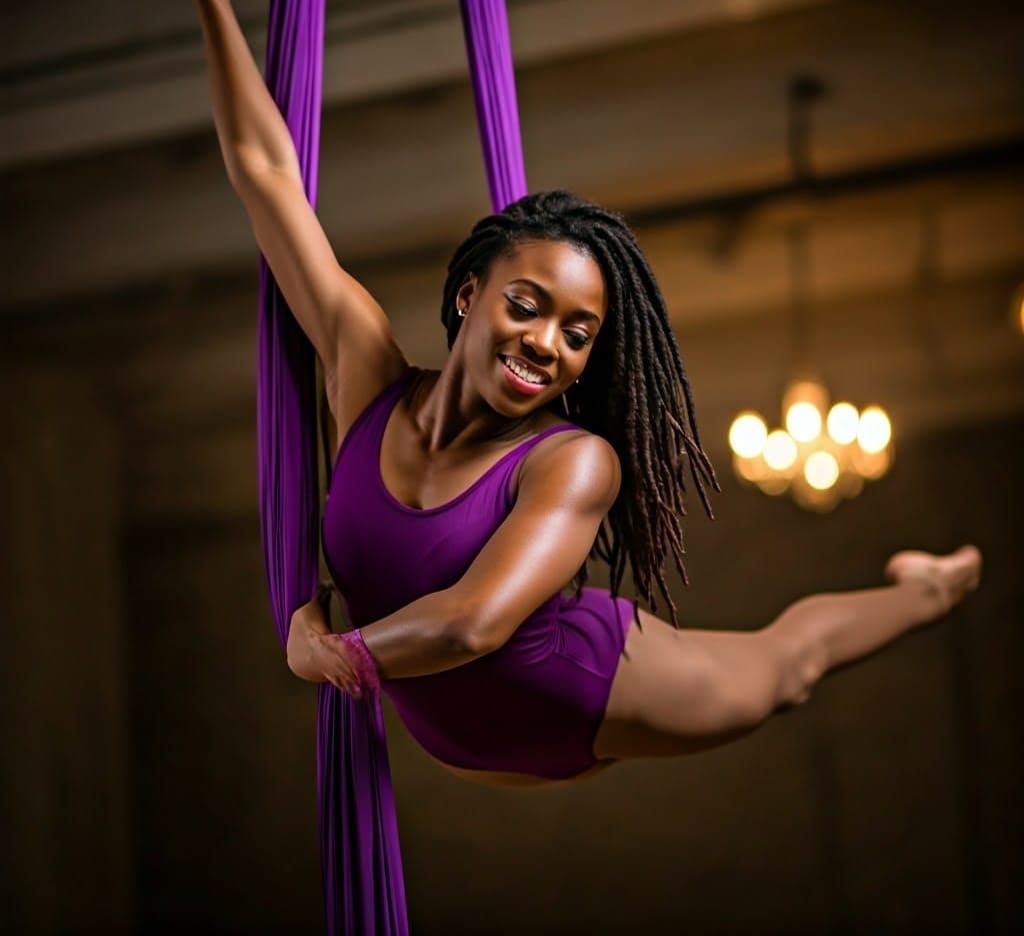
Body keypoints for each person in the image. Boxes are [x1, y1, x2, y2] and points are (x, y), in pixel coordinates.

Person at [196, 0, 983, 790]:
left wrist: (334, 652)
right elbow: (265, 172)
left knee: (789, 664)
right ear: (470, 292)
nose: (546, 343)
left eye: (579, 334)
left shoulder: (573, 463)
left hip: (590, 695)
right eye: (528, 305)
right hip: (467, 744)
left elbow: (475, 622)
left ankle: (930, 589)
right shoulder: (364, 373)